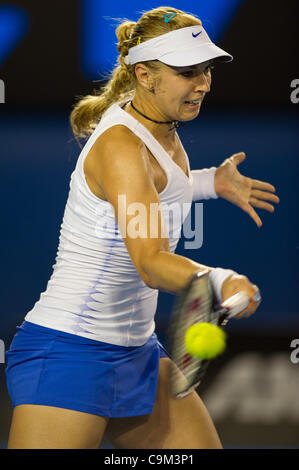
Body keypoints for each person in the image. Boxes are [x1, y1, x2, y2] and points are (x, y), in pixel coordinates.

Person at [5, 6, 279, 449]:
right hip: (69, 351)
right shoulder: (120, 144)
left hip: (137, 353)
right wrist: (219, 280)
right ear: (147, 75)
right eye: (188, 71)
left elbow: (157, 188)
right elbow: (150, 263)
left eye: (206, 69)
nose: (204, 83)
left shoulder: (159, 125)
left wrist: (211, 182)